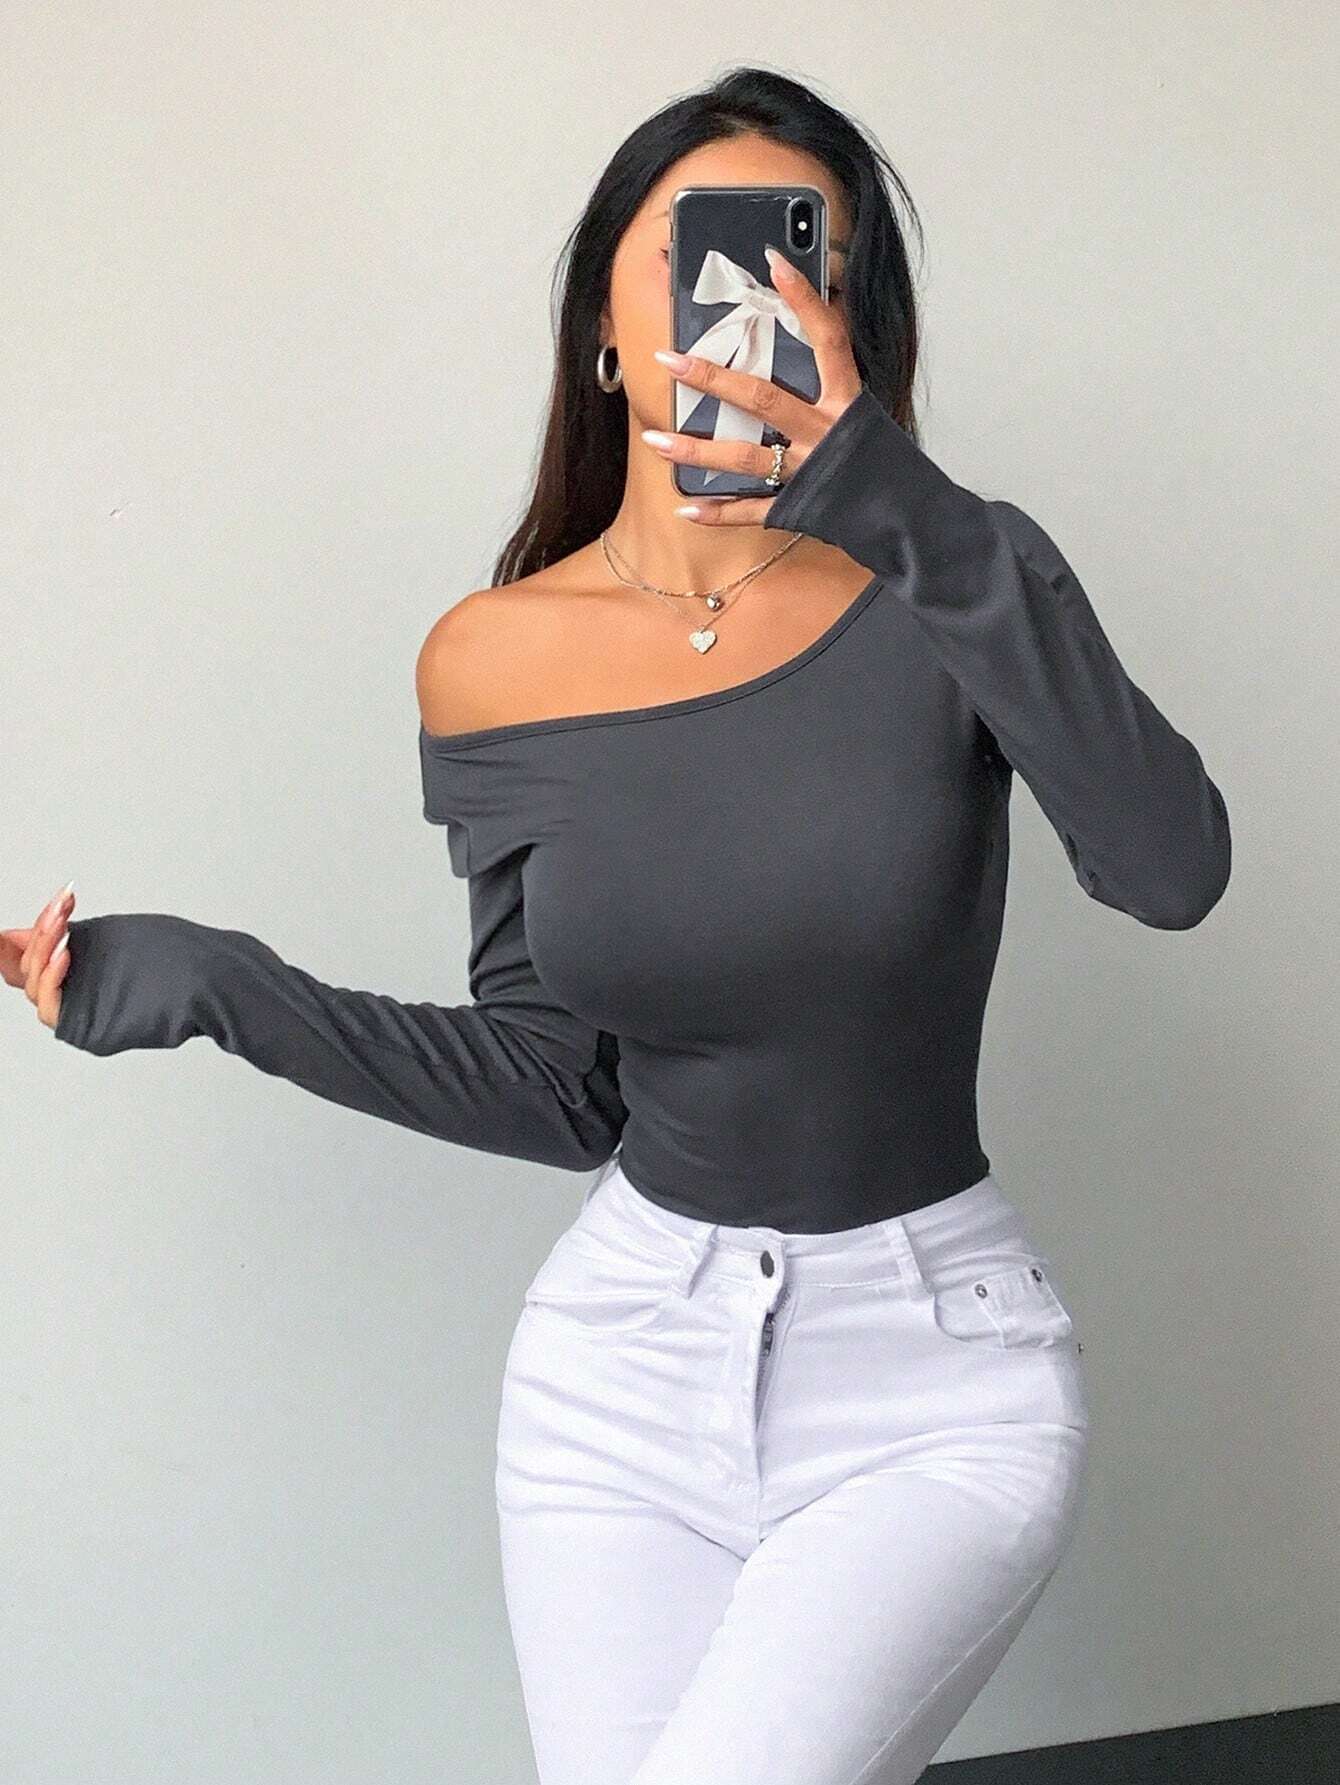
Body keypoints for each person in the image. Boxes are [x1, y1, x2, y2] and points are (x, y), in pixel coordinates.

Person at [8, 66, 1229, 1785]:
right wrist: (223, 987)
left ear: (853, 322)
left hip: (934, 1375)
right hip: (619, 1373)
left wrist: (894, 502)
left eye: (799, 260)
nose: (747, 301)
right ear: (601, 319)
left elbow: (1171, 866)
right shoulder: (489, 657)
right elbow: (560, 1082)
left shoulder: (955, 581)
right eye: (693, 255)